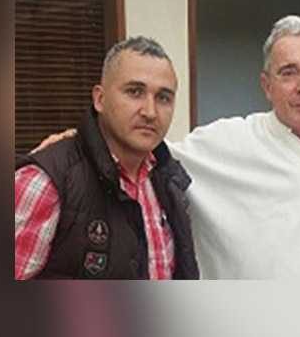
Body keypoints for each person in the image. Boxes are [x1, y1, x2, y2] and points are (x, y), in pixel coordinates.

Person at [35, 16, 300, 279]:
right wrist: (82, 142)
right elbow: (146, 146)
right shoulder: (226, 144)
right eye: (288, 72)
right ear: (266, 85)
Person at [15, 36, 199, 279]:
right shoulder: (47, 182)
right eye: (135, 92)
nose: (150, 112)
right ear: (99, 99)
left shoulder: (169, 180)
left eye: (163, 97)